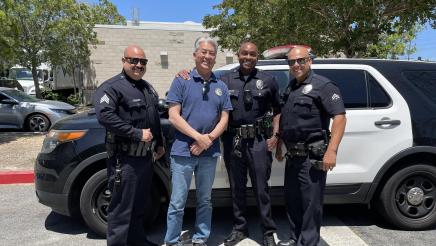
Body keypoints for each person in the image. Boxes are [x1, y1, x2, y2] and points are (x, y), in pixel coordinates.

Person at [93, 45, 165, 246]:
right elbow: (105, 116)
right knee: (121, 209)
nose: (138, 65)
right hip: (124, 160)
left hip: (145, 159)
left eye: (143, 61)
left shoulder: (147, 88)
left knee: (139, 206)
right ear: (123, 61)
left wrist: (159, 143)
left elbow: (153, 117)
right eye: (133, 60)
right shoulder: (112, 87)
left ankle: (137, 241)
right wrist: (136, 133)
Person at [164, 37, 232, 246]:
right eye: (203, 52)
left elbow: (225, 118)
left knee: (205, 200)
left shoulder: (220, 85)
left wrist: (208, 139)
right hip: (182, 152)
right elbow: (173, 116)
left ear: (215, 57)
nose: (207, 56)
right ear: (195, 55)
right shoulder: (181, 81)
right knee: (177, 202)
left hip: (209, 153)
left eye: (211, 53)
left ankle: (200, 238)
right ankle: (172, 241)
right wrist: (199, 138)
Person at [276, 46, 346, 246]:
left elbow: (340, 118)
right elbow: (286, 119)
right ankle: (295, 238)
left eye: (300, 60)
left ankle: (308, 242)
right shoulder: (291, 87)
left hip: (312, 157)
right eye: (291, 62)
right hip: (293, 155)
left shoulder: (323, 86)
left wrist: (332, 151)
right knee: (294, 201)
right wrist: (280, 142)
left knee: (311, 205)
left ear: (310, 61)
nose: (296, 65)